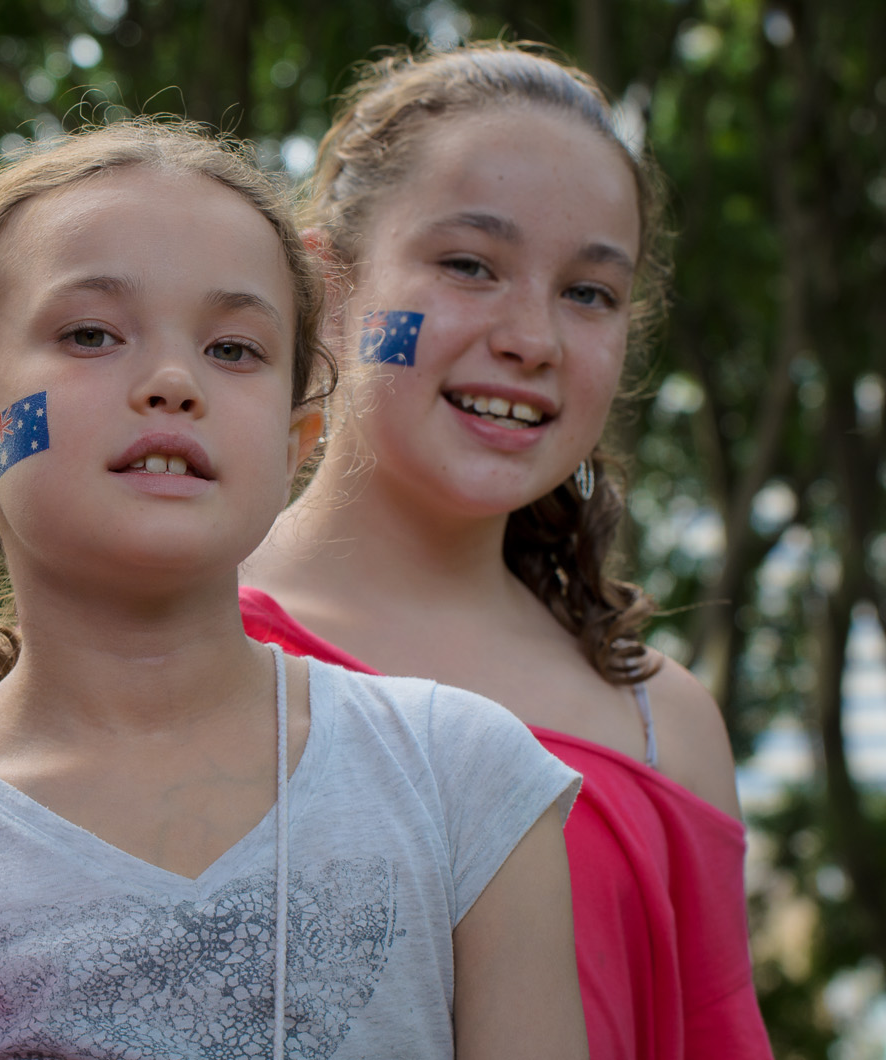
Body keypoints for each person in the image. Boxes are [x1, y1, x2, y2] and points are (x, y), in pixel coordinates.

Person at [0, 120, 587, 1060]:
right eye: (90, 334)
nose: (172, 382)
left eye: (234, 350)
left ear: (295, 448)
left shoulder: (461, 776)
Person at [239, 44, 773, 1060]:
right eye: (470, 266)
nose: (533, 335)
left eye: (588, 293)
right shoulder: (167, 632)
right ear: (329, 289)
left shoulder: (663, 721)